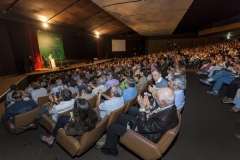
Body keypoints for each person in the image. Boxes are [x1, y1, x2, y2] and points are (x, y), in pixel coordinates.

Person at [101, 88, 179, 156]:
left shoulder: (164, 118)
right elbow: (152, 117)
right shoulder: (169, 105)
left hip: (145, 135)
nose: (155, 97)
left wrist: (142, 108)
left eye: (157, 97)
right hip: (148, 126)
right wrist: (147, 109)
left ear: (163, 102)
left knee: (112, 127)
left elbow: (144, 128)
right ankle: (116, 136)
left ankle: (111, 149)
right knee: (120, 117)